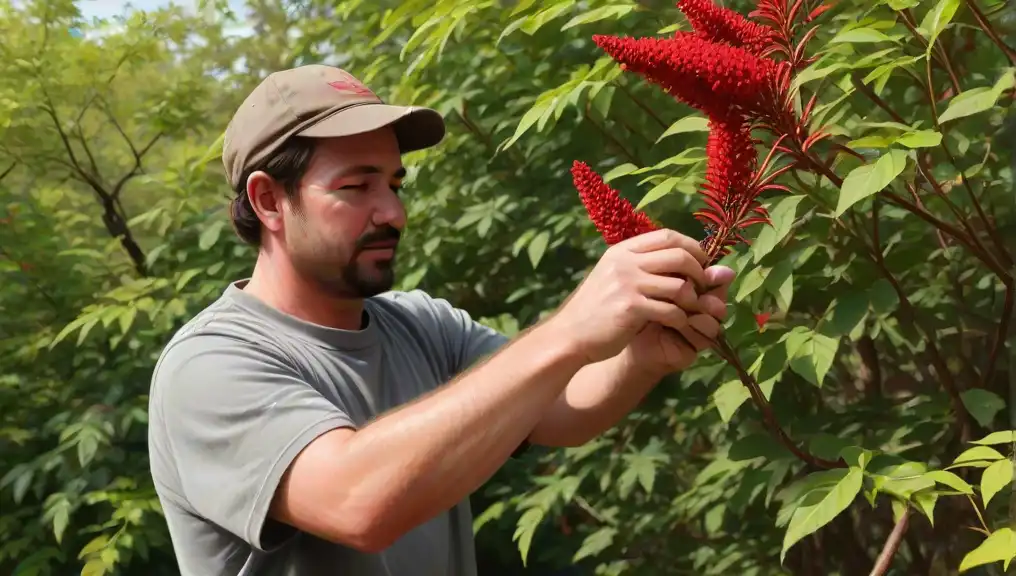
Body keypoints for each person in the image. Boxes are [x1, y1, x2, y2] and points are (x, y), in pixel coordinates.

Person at [147, 64, 735, 576]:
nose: (393, 212)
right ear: (269, 201)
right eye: (357, 186)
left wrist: (642, 357)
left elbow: (558, 409)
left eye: (395, 184)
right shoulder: (211, 363)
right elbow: (358, 503)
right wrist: (566, 331)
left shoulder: (420, 324)